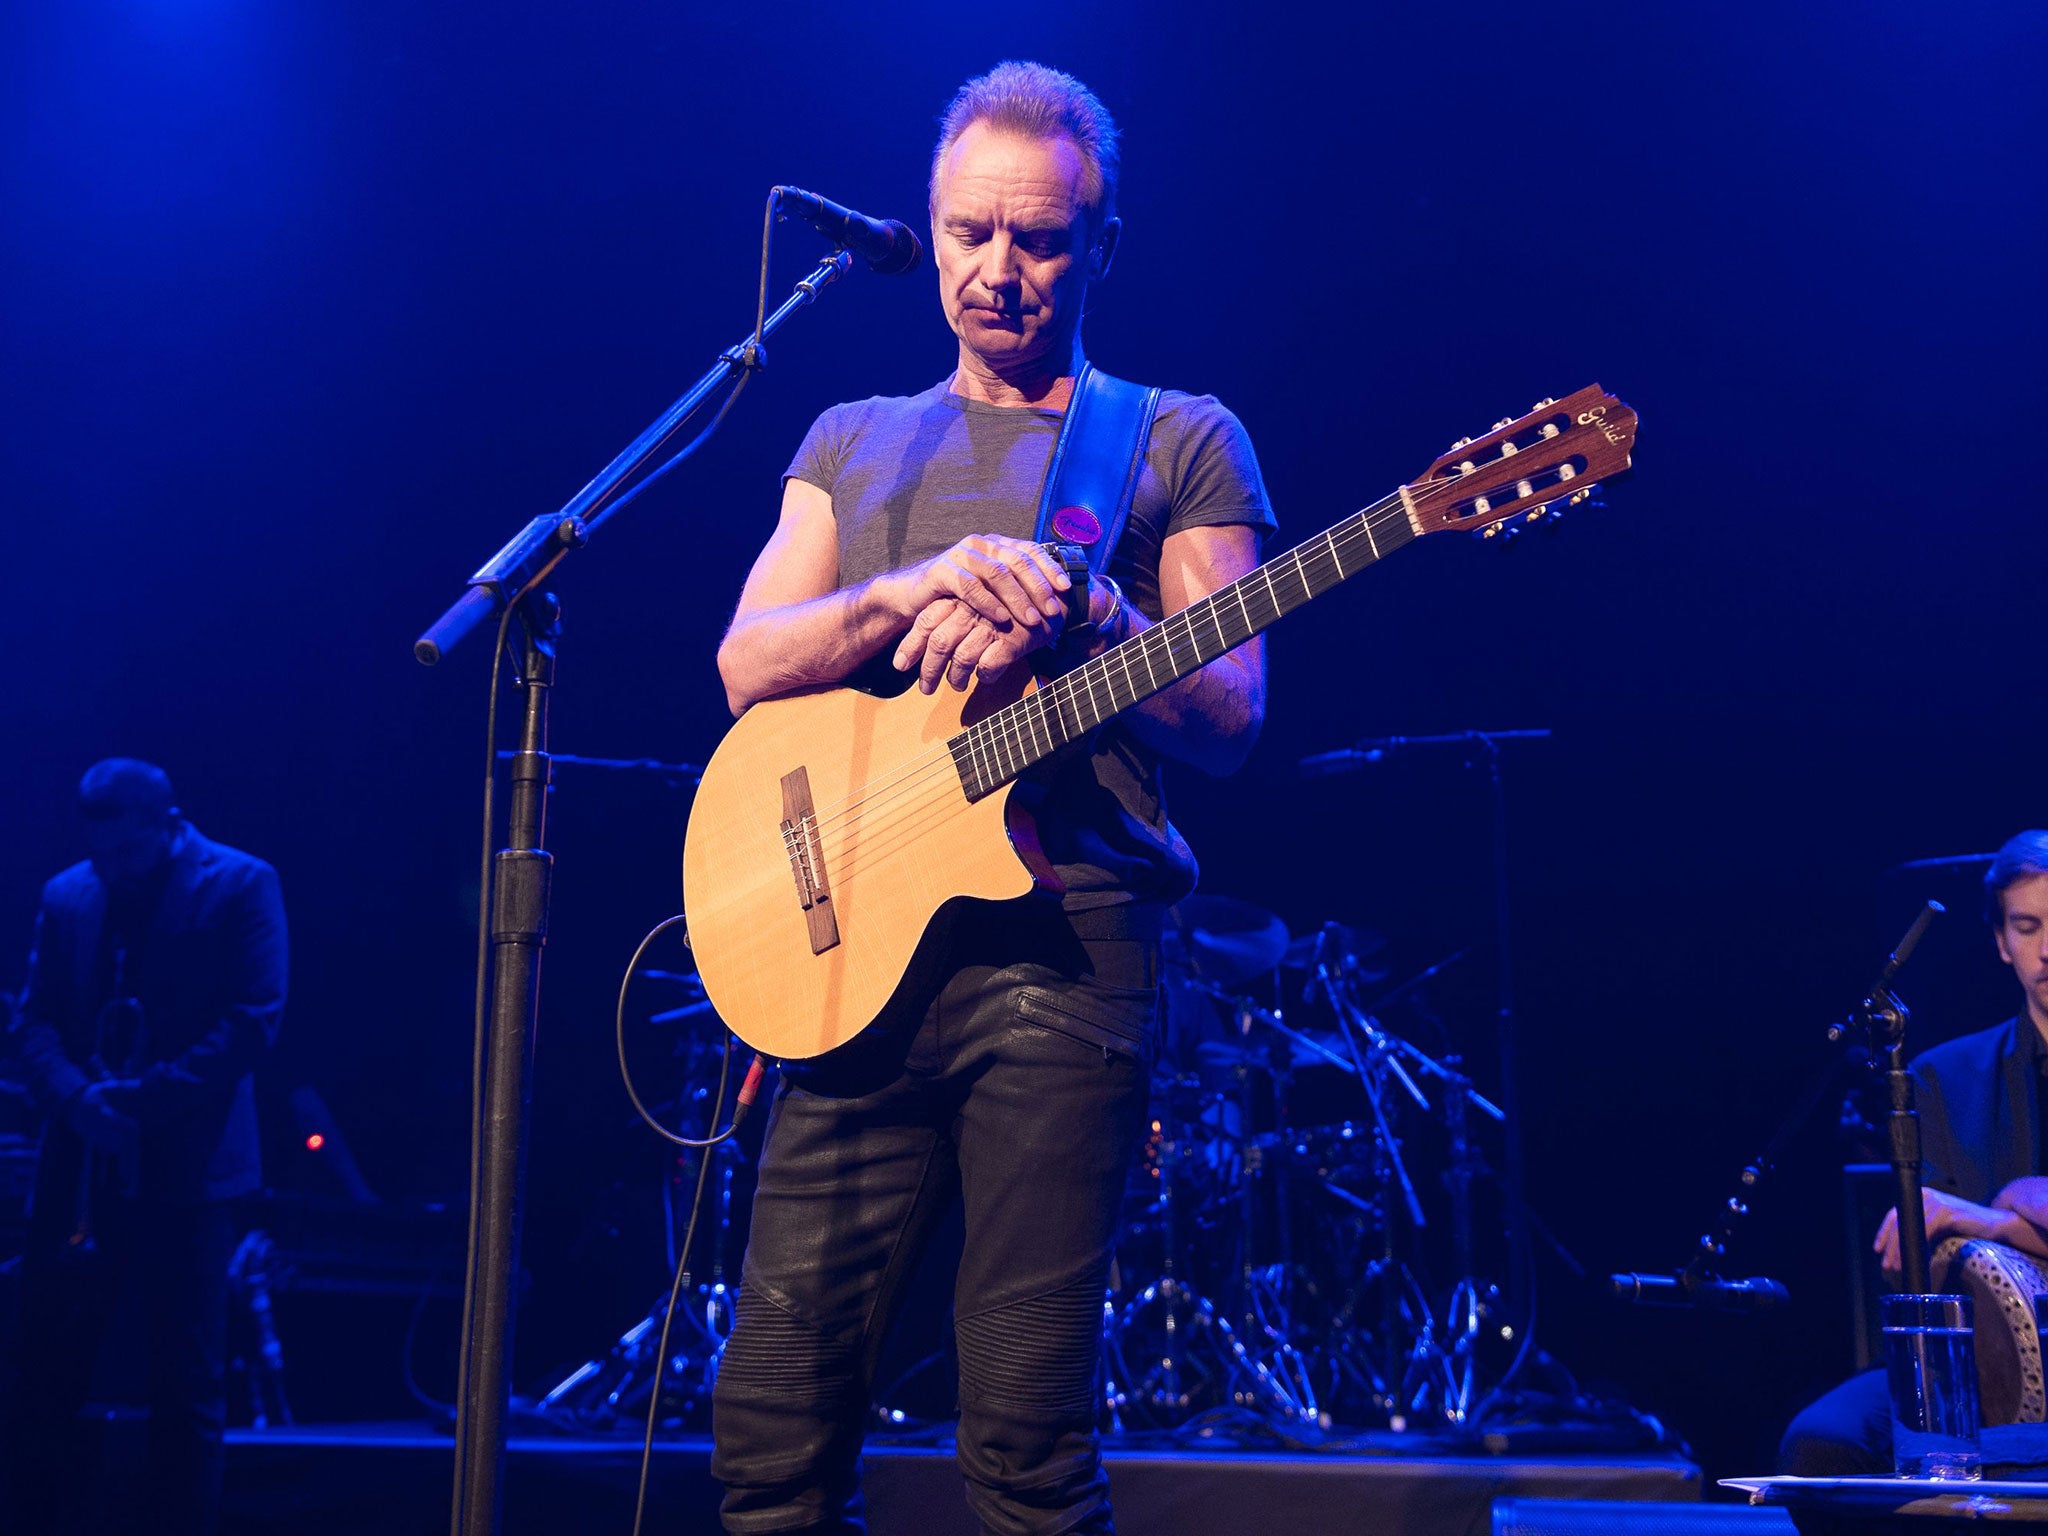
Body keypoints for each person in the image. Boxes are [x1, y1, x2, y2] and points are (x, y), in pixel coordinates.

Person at [708, 61, 1275, 1534]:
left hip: (1066, 964)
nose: (996, 271)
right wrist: (912, 589)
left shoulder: (1173, 436)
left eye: (1038, 240)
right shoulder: (847, 437)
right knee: (768, 1434)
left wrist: (1093, 616)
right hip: (851, 960)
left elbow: (1230, 717)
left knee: (1023, 1449)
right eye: (968, 233)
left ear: (1101, 247)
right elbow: (747, 663)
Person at [2, 759, 288, 1536]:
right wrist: (77, 1101)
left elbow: (254, 1019)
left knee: (186, 1389)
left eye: (128, 855)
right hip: (82, 1163)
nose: (114, 872)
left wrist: (135, 1103)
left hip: (188, 1174)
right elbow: (31, 1022)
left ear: (169, 823)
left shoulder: (240, 883)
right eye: (102, 857)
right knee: (41, 1377)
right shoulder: (69, 893)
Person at [1779, 828, 2048, 1474]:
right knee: (1821, 1445)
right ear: (2001, 944)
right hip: (1975, 1354)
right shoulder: (1943, 1078)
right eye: (2028, 926)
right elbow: (1920, 1252)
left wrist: (1982, 1216)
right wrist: (2015, 1217)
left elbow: (1954, 1218)